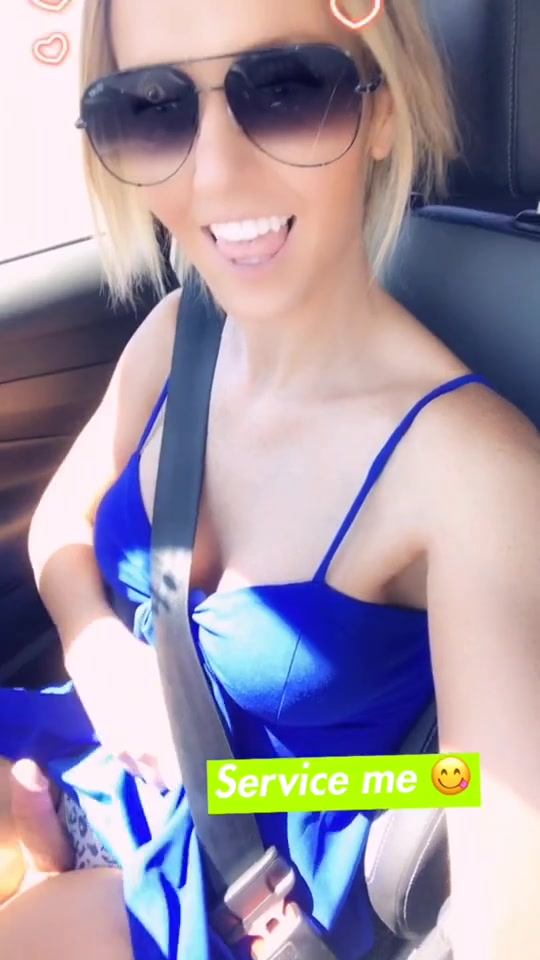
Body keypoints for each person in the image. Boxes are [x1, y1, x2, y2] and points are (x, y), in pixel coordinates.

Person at [1, 0, 539, 958]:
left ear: (381, 109)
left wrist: (246, 790)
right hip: (98, 771)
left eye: (287, 89)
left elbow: (494, 861)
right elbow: (58, 527)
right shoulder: (181, 334)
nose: (213, 172)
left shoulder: (472, 476)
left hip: (237, 903)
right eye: (151, 107)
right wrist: (100, 652)